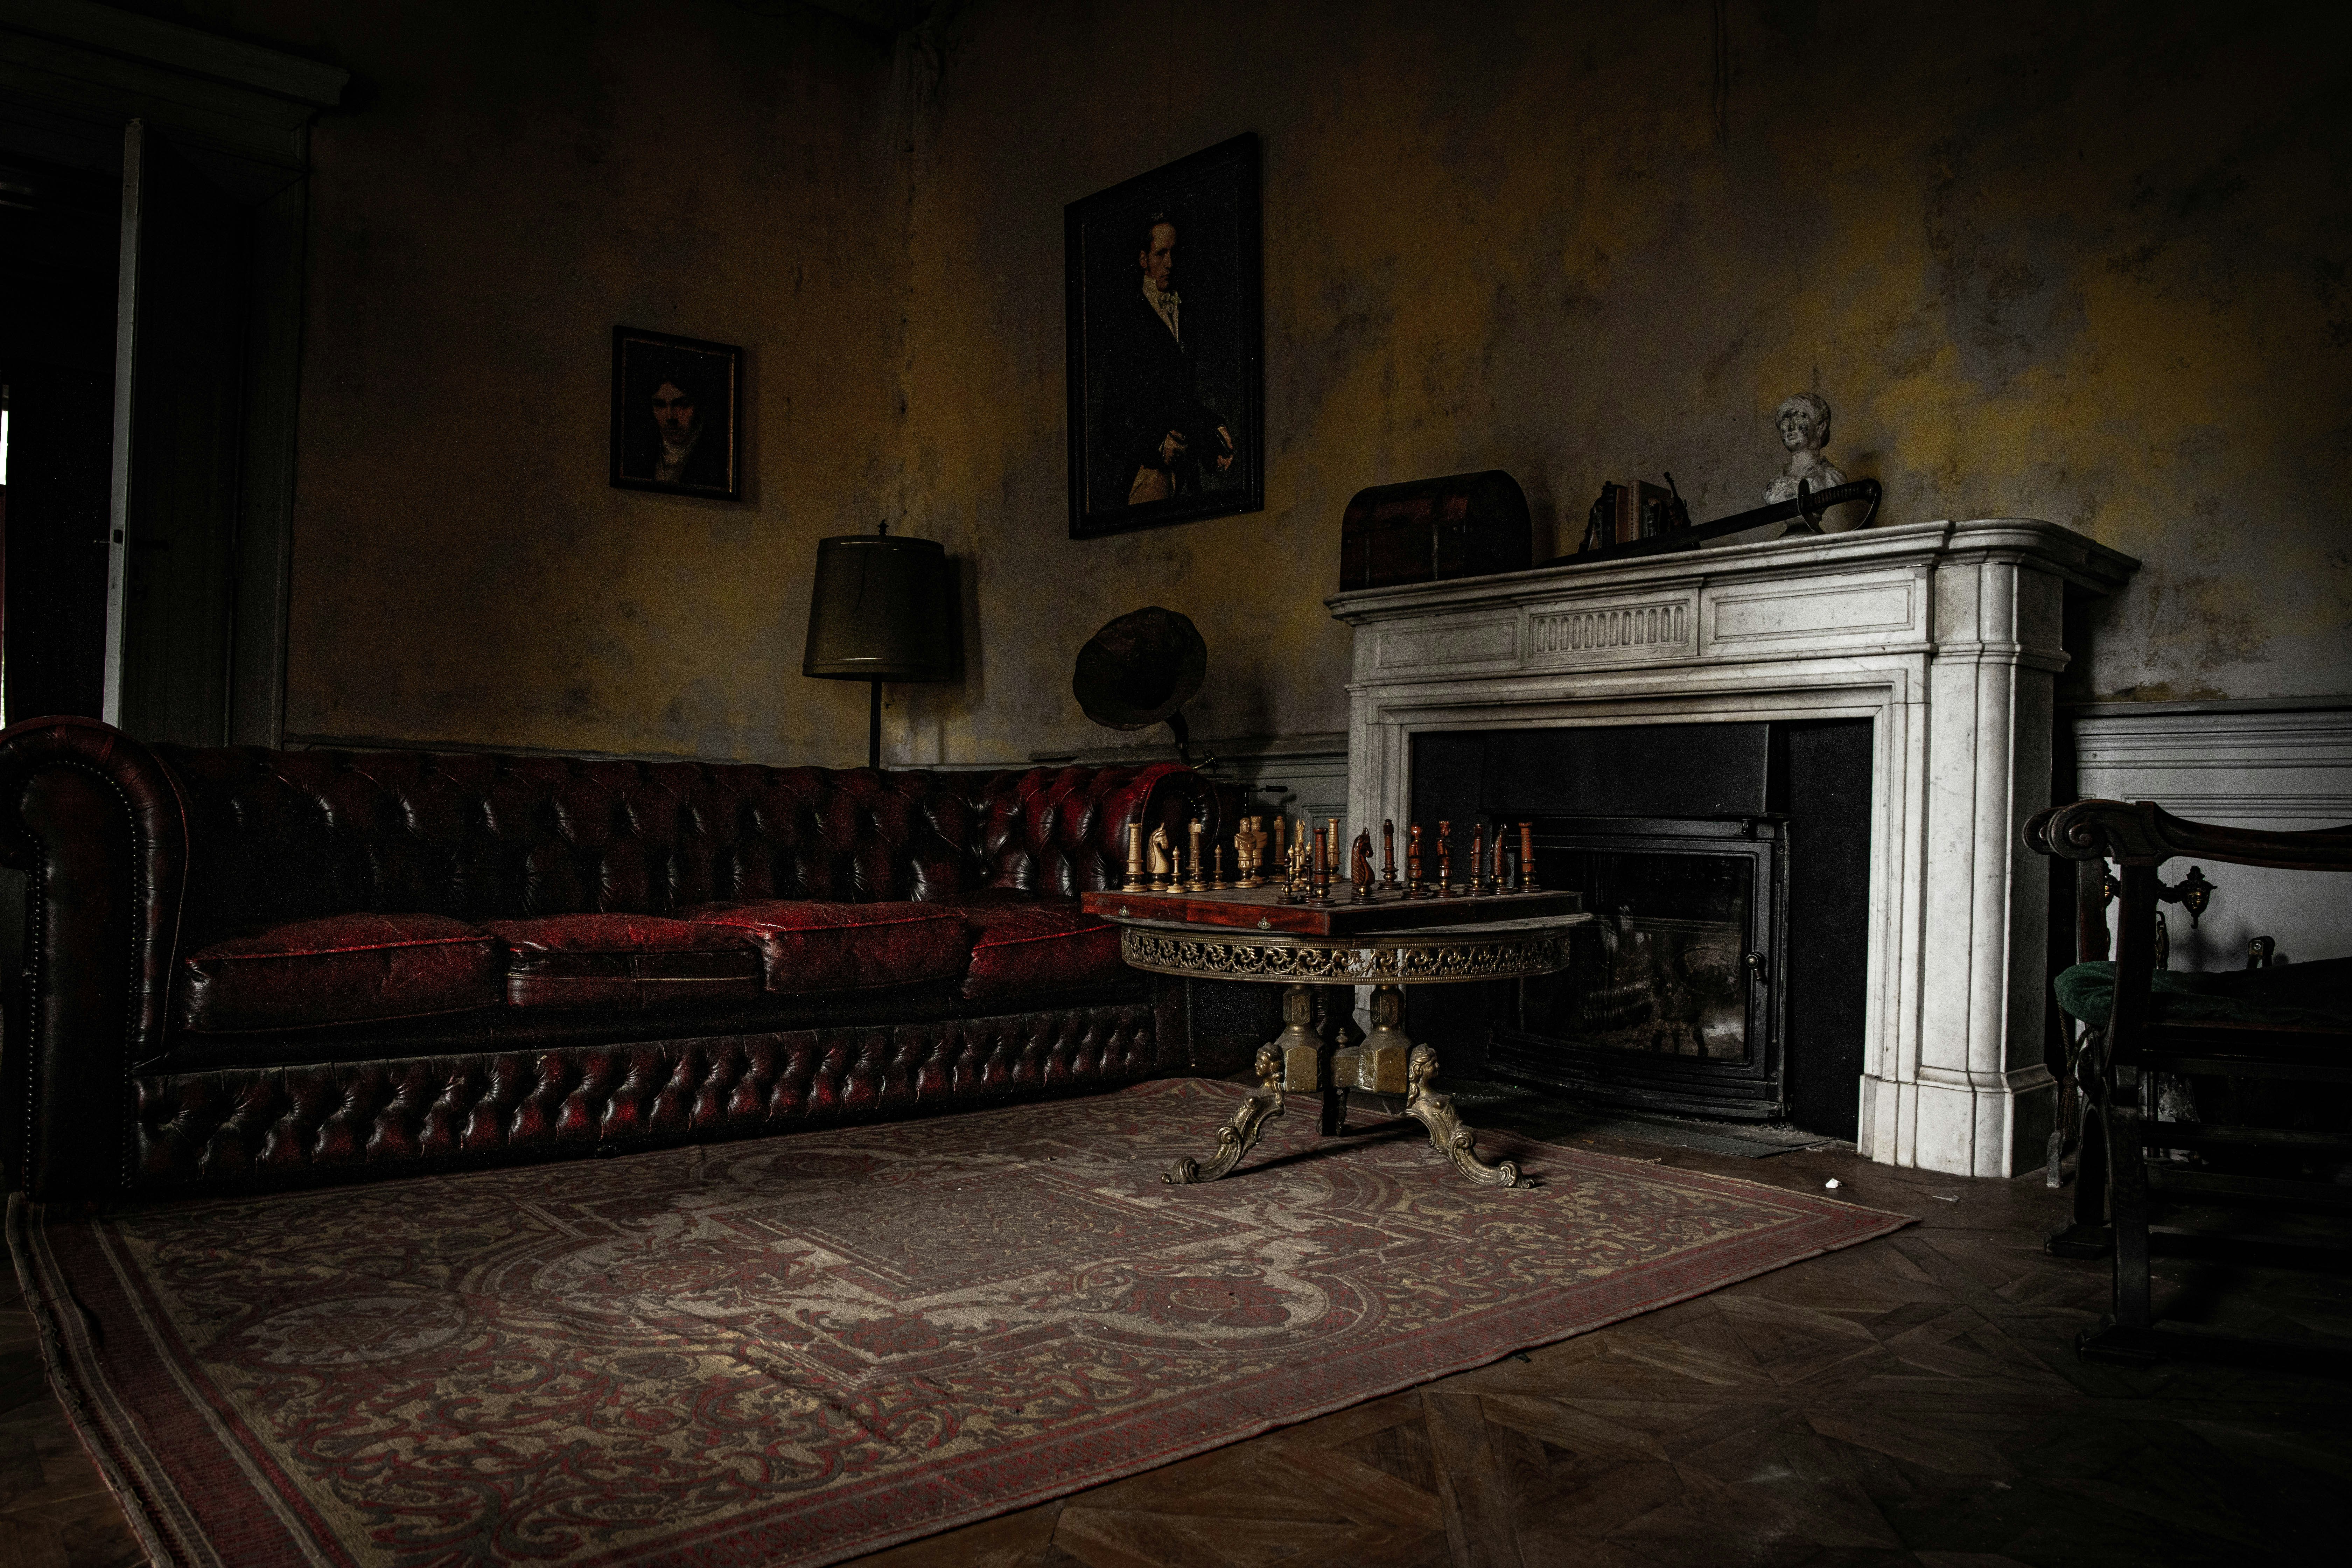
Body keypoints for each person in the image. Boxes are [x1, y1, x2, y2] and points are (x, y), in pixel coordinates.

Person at [1096, 212, 1234, 508]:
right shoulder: (1128, 323)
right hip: (1149, 476)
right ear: (1144, 259)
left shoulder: (1185, 316)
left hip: (1186, 475)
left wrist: (1215, 430)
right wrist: (1156, 447)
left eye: (1174, 253)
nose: (1170, 263)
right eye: (1161, 254)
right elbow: (1111, 426)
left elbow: (1181, 401)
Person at [624, 358, 730, 491]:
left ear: (698, 407)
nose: (670, 417)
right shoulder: (639, 454)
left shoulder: (718, 459)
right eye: (660, 405)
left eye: (682, 404)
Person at [1763, 392, 1846, 504]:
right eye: (1785, 420)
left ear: (1820, 427)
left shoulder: (1831, 478)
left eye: (1800, 417)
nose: (1791, 427)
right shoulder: (1774, 485)